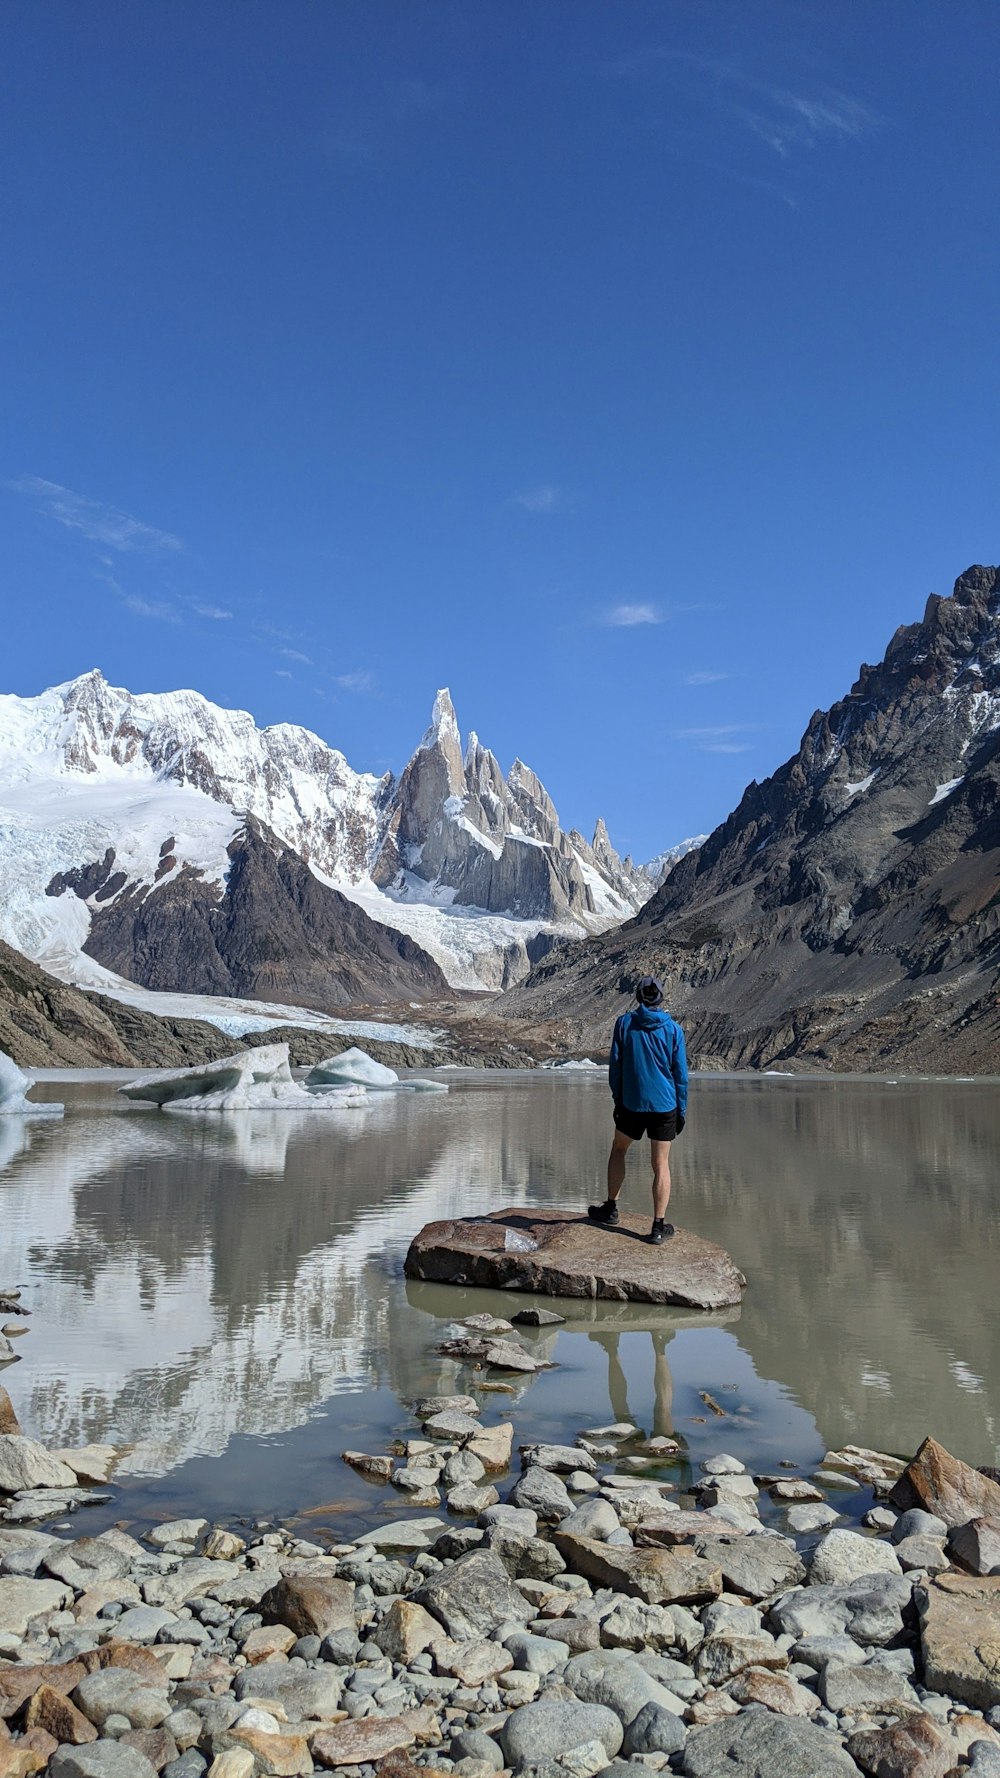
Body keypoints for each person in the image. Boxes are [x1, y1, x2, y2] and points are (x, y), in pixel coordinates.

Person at [589, 975, 688, 1245]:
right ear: (660, 998)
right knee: (660, 1164)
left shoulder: (624, 1023)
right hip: (665, 1104)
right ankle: (658, 1226)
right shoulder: (674, 1030)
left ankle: (610, 1209)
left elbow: (616, 1067)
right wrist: (681, 1111)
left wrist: (618, 1100)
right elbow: (680, 1075)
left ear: (638, 996)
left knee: (618, 1149)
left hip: (631, 1102)